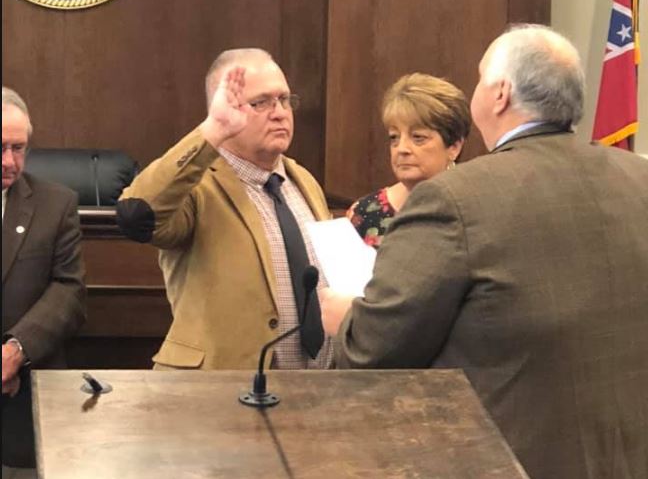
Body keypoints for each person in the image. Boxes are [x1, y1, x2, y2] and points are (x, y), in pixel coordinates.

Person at [321, 25, 648, 479]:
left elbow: (372, 350)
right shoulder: (638, 179)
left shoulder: (453, 199)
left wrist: (346, 320)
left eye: (478, 78)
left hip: (509, 459)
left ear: (499, 94)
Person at [117, 48, 333, 371]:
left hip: (316, 386)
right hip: (220, 387)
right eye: (261, 103)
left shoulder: (303, 181)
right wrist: (213, 131)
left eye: (284, 100)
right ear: (223, 110)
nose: (279, 113)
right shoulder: (196, 185)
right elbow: (137, 213)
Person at [2, 87, 86, 473]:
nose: (9, 161)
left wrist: (14, 352)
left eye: (18, 148)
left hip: (28, 394)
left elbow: (69, 290)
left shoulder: (56, 205)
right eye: (1, 148)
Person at [346, 74, 470, 247]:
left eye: (418, 137)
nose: (401, 149)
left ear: (454, 147)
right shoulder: (365, 212)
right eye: (394, 137)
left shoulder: (475, 210)